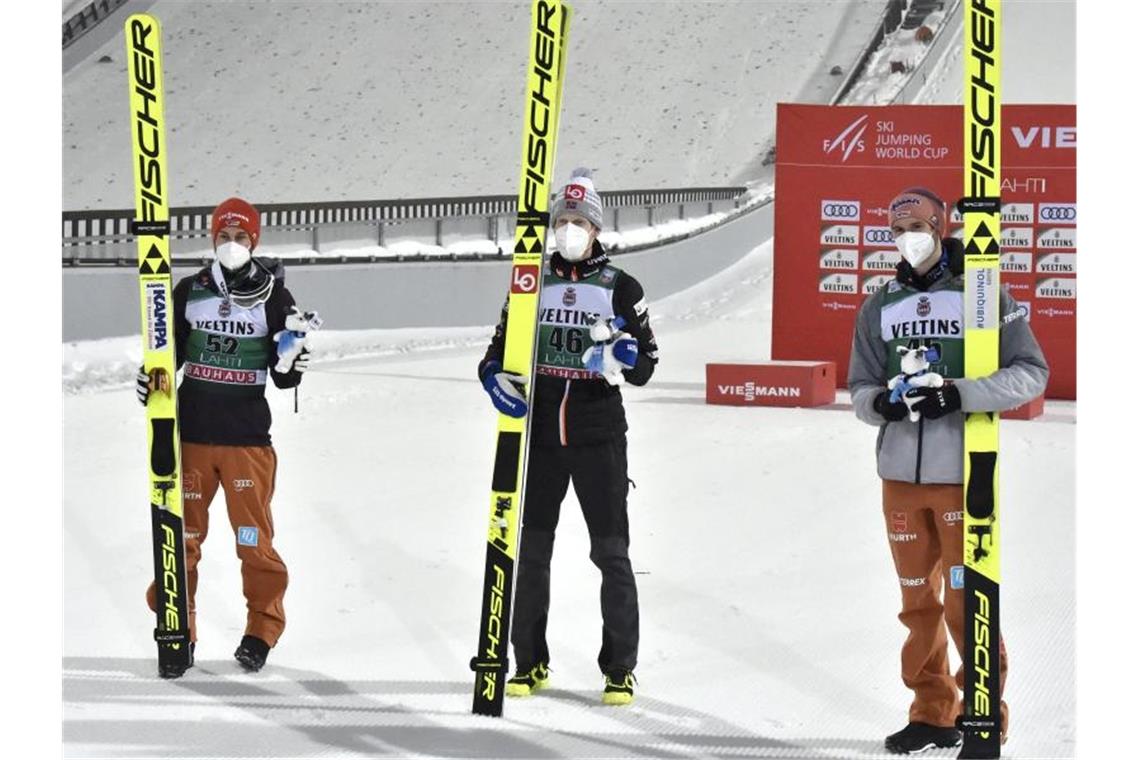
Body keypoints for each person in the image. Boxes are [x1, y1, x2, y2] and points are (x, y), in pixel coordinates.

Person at [848, 187, 1049, 754]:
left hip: (961, 474)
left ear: (941, 227)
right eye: (895, 227)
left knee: (968, 600)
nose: (905, 235)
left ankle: (983, 713)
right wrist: (880, 406)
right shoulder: (879, 303)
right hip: (899, 479)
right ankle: (931, 711)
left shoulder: (982, 294)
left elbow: (1031, 371)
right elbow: (859, 386)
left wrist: (958, 395)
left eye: (915, 223)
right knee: (918, 601)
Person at [478, 168, 659, 705]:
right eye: (562, 221)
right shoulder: (532, 282)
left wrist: (628, 355)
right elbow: (496, 350)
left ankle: (619, 667)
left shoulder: (622, 287)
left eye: (579, 222)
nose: (569, 231)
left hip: (598, 435)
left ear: (597, 229)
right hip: (541, 439)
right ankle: (529, 663)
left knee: (610, 554)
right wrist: (492, 377)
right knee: (531, 552)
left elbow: (648, 363)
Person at [138, 197, 315, 678]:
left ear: (253, 241)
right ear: (212, 240)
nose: (231, 245)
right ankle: (180, 628)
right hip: (192, 436)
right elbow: (165, 354)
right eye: (223, 237)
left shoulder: (276, 297)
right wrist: (150, 378)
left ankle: (261, 630)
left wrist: (288, 363)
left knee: (253, 542)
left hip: (247, 441)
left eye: (240, 238)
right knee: (182, 538)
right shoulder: (188, 291)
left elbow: (286, 378)